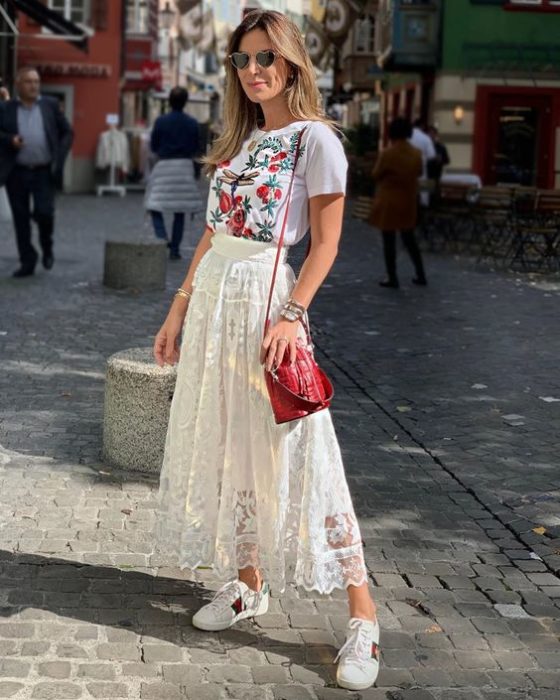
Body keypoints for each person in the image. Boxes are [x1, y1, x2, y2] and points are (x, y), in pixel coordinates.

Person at [152, 10, 380, 692]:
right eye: (243, 59)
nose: (253, 70)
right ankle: (249, 584)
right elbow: (211, 234)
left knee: (304, 451)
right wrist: (178, 307)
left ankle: (364, 617)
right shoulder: (238, 141)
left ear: (291, 64)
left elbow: (329, 242)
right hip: (217, 300)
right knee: (229, 444)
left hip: (266, 304)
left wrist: (292, 313)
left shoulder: (317, 142)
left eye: (264, 58)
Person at [0, 66, 73, 277]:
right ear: (18, 85)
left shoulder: (49, 105)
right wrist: (9, 139)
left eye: (36, 81)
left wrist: (59, 157)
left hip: (43, 171)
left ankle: (46, 246)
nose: (34, 86)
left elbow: (67, 131)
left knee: (45, 213)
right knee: (20, 219)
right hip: (17, 171)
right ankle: (27, 260)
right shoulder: (7, 108)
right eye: (29, 81)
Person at [145, 86, 202, 260]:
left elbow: (154, 146)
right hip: (184, 167)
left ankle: (162, 237)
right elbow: (197, 148)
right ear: (185, 102)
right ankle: (175, 249)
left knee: (153, 205)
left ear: (169, 101)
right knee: (180, 211)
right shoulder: (192, 123)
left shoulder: (161, 121)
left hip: (164, 167)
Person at [369, 116, 427, 288]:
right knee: (410, 239)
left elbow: (376, 174)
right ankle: (420, 273)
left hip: (389, 202)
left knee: (389, 241)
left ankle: (392, 276)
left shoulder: (388, 153)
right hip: (408, 200)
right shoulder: (416, 154)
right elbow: (419, 172)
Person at [409, 118, 436, 208]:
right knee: (423, 195)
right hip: (422, 170)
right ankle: (423, 210)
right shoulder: (426, 138)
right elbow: (431, 156)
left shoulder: (407, 136)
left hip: (406, 169)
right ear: (422, 126)